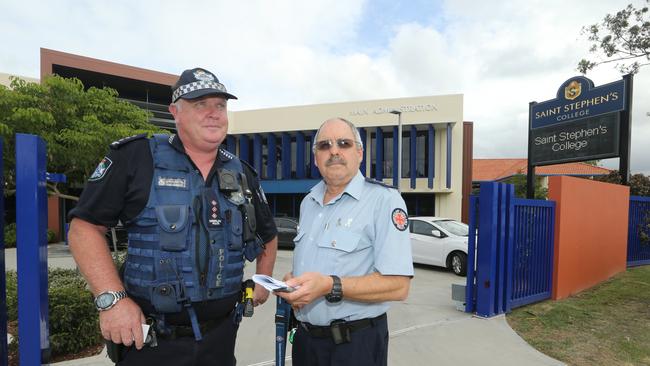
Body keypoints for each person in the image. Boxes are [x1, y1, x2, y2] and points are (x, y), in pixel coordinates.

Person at [67, 67, 278, 365]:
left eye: (220, 105)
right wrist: (111, 301)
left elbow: (268, 235)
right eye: (200, 104)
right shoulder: (136, 157)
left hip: (221, 338)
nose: (213, 113)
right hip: (151, 341)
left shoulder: (242, 173)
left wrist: (262, 283)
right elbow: (84, 228)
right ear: (175, 112)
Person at [276, 117, 413, 366]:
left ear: (359, 153)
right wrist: (294, 281)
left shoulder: (384, 201)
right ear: (316, 158)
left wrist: (329, 286)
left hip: (354, 345)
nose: (334, 151)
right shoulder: (309, 202)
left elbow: (398, 286)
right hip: (306, 344)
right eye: (325, 145)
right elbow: (319, 265)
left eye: (344, 143)